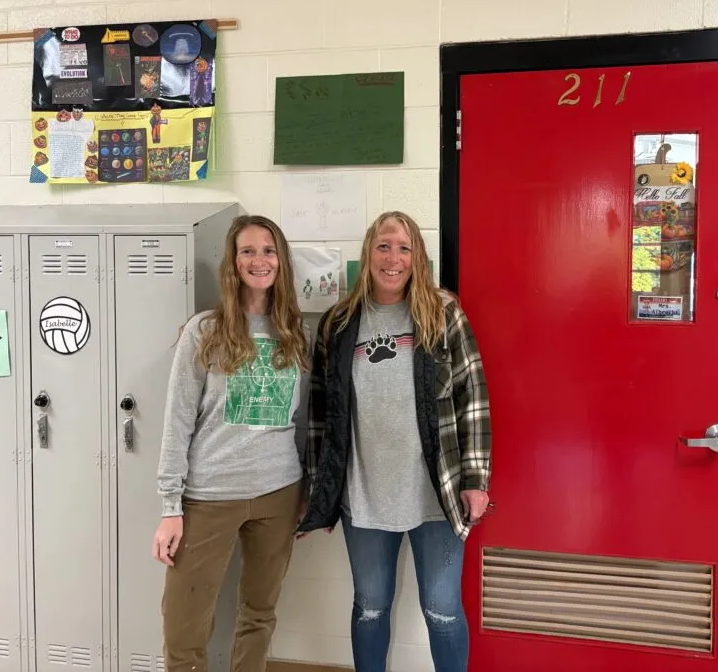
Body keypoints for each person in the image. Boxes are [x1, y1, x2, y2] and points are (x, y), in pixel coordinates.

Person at [298, 211, 492, 672]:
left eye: (404, 248)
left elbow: (473, 397)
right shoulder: (339, 323)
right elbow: (321, 411)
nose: (393, 258)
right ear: (368, 253)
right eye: (384, 246)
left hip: (436, 494)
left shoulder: (443, 314)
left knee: (442, 610)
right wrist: (320, 490)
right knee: (370, 607)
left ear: (417, 258)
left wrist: (476, 479)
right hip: (364, 496)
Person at [152, 214, 311, 672]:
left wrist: (305, 490)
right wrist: (170, 506)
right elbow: (177, 420)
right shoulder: (205, 331)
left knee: (259, 614)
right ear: (233, 262)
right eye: (248, 251)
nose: (259, 260)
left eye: (268, 250)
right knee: (184, 625)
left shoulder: (295, 333)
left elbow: (301, 420)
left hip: (279, 493)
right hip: (210, 496)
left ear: (281, 260)